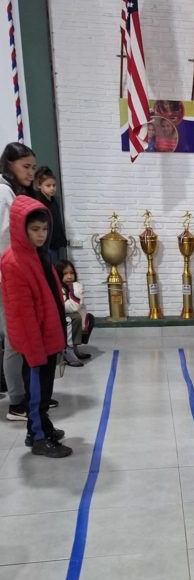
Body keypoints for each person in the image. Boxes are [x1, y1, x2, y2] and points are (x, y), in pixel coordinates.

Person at [0, 195, 73, 458]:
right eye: (34, 230)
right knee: (36, 395)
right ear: (21, 228)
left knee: (44, 392)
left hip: (47, 337)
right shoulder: (13, 261)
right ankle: (39, 438)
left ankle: (40, 428)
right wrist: (34, 351)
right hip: (35, 344)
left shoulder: (37, 255)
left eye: (44, 229)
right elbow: (21, 313)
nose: (41, 235)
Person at [0, 142, 36, 421]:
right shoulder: (2, 193)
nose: (31, 172)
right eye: (25, 167)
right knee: (14, 340)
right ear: (9, 164)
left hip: (14, 276)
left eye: (32, 167)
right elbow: (7, 240)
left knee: (20, 338)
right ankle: (16, 402)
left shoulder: (12, 191)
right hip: (6, 277)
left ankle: (26, 393)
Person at [55, 259, 94, 366]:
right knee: (74, 318)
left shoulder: (71, 287)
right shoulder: (59, 288)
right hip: (58, 315)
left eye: (71, 273)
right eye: (65, 274)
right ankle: (68, 350)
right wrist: (76, 290)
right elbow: (72, 306)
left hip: (69, 313)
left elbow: (80, 307)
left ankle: (75, 348)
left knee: (88, 318)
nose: (69, 276)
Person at [33, 165, 67, 261]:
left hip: (54, 242)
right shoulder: (38, 202)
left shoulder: (53, 200)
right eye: (48, 186)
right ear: (40, 185)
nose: (52, 188)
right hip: (46, 244)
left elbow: (57, 222)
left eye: (54, 185)